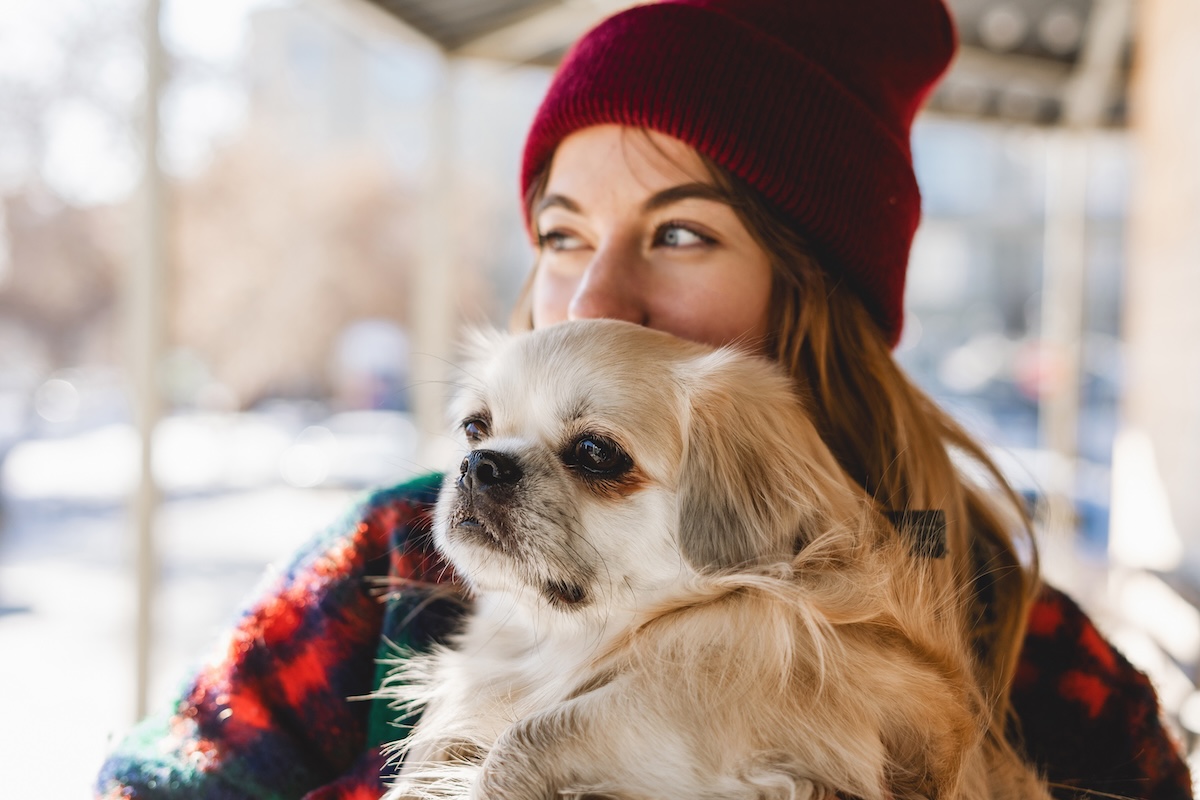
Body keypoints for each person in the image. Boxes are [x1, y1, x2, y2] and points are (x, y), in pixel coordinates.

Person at [96, 1, 1193, 798]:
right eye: (560, 231)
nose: (591, 291)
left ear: (817, 294)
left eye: (681, 232)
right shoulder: (387, 561)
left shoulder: (1029, 639)